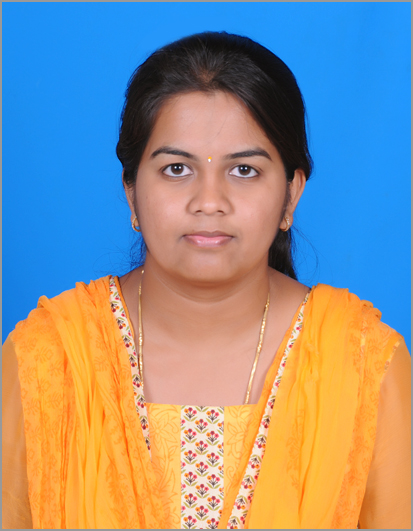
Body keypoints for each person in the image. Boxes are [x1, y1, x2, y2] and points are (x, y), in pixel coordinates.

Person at [2, 31, 410, 530]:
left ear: (291, 195)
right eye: (177, 168)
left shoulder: (363, 362)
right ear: (131, 191)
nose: (209, 201)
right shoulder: (48, 360)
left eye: (244, 170)